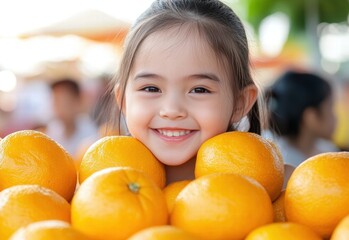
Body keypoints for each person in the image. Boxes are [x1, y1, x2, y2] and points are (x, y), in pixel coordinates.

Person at [101, 0, 262, 184]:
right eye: (151, 88)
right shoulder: (100, 186)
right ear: (123, 100)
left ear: (239, 103)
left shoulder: (279, 191)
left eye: (199, 90)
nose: (172, 110)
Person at [265, 70, 339, 168]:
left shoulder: (327, 149)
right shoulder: (280, 162)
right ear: (311, 117)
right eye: (330, 109)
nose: (336, 117)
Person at [46, 78, 99, 157]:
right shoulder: (51, 131)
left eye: (64, 102)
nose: (59, 108)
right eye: (56, 102)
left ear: (77, 102)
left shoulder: (90, 132)